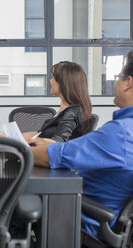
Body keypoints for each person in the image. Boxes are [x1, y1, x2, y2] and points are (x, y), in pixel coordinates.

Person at [31, 52, 133, 243]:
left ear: (128, 83)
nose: (116, 84)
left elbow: (49, 155)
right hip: (96, 218)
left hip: (76, 224)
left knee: (15, 203)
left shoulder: (121, 133)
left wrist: (11, 148)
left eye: (118, 78)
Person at [0, 61, 92, 143]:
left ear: (63, 83)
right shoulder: (65, 109)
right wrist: (8, 136)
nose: (50, 81)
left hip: (52, 162)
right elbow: (38, 134)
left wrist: (29, 142)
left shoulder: (73, 111)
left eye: (53, 78)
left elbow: (58, 141)